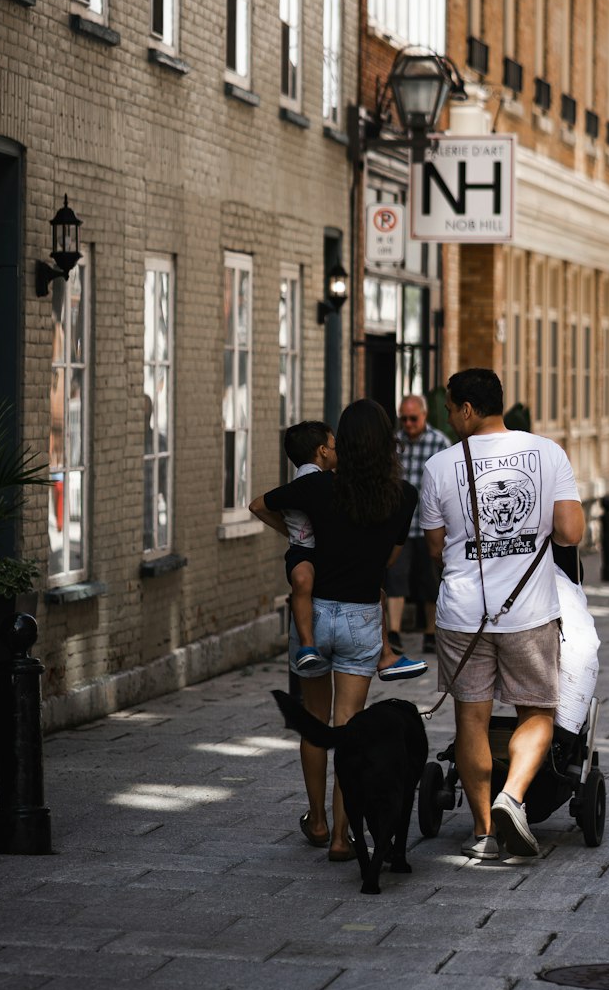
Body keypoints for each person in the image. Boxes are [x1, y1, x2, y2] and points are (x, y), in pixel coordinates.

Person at [421, 368, 585, 862]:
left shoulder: (438, 466)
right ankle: (513, 796)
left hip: (462, 615)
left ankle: (483, 831)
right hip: (529, 611)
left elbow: (434, 545)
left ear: (468, 410)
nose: (448, 417)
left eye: (450, 408)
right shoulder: (547, 453)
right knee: (537, 711)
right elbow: (570, 533)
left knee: (471, 718)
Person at [249, 399, 422, 860]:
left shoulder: (319, 489)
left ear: (340, 442)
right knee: (350, 729)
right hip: (363, 616)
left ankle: (318, 821)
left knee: (313, 721)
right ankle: (345, 838)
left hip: (316, 613)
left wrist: (298, 540)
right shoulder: (402, 495)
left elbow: (261, 504)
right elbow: (388, 559)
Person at [390, 393, 451, 655]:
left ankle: (430, 633)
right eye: (403, 418)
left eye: (413, 418)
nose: (408, 423)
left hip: (430, 525)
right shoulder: (393, 443)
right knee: (395, 579)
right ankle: (393, 633)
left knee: (430, 582)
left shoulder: (440, 443)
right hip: (400, 524)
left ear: (424, 416)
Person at [277, 420, 336, 674]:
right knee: (302, 580)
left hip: (323, 548)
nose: (337, 451)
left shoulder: (323, 480)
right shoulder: (309, 483)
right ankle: (307, 644)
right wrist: (287, 530)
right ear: (322, 450)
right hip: (304, 551)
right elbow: (259, 506)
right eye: (333, 446)